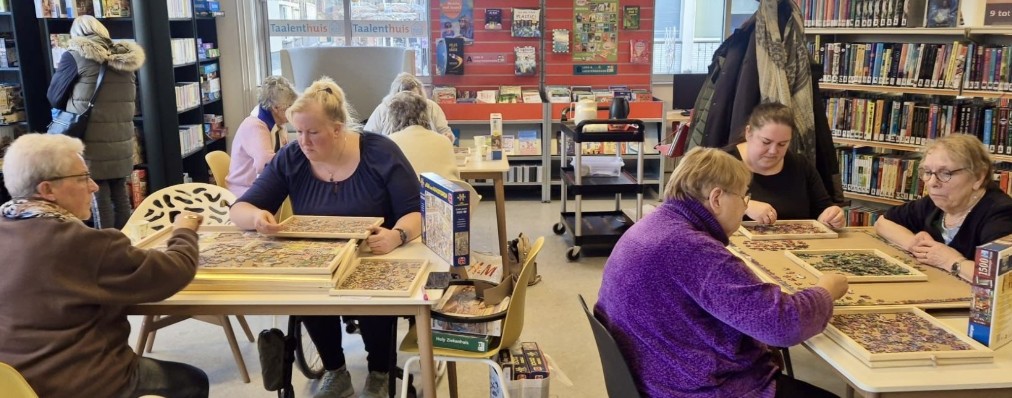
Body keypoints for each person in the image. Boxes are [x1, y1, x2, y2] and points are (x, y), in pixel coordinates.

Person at [596, 147, 847, 398]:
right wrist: (826, 290)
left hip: (657, 375)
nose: (744, 206)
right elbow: (783, 326)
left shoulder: (654, 223)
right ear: (716, 198)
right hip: (695, 389)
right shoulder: (692, 248)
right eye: (743, 197)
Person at [229, 77, 421, 398]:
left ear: (337, 128)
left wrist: (397, 235)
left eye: (313, 133)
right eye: (298, 132)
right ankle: (335, 370)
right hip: (318, 263)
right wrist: (257, 217)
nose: (303, 141)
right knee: (310, 296)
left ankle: (379, 371)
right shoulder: (292, 157)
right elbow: (241, 209)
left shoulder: (380, 152)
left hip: (375, 255)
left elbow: (417, 212)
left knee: (372, 297)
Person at [0, 134, 208, 398]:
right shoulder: (80, 243)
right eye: (82, 178)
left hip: (13, 383)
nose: (94, 187)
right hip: (80, 383)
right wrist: (184, 230)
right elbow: (174, 271)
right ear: (47, 190)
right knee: (192, 381)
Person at [46, 15, 145, 229]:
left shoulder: (74, 56)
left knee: (98, 195)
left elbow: (54, 96)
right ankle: (125, 244)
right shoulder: (125, 60)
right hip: (121, 137)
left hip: (90, 138)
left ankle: (106, 248)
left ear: (76, 35)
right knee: (120, 195)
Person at [875, 134, 1012, 280]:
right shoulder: (936, 203)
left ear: (978, 177)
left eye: (945, 173)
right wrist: (913, 244)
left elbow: (1000, 277)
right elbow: (882, 222)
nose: (933, 182)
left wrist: (952, 261)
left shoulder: (1001, 213)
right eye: (928, 172)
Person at [726, 102, 845, 228]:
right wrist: (744, 205)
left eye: (782, 144)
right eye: (766, 142)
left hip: (797, 245)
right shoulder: (723, 163)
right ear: (748, 133)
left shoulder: (801, 166)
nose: (773, 151)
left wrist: (832, 216)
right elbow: (705, 209)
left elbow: (822, 209)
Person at [226, 75, 298, 197]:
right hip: (245, 192)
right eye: (290, 107)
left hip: (262, 186)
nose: (293, 111)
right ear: (275, 108)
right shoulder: (254, 126)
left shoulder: (278, 123)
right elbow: (265, 166)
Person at [387, 91, 459, 179]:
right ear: (426, 113)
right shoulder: (444, 141)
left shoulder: (389, 143)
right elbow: (456, 178)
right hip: (445, 192)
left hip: (410, 192)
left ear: (393, 116)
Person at [365, 72, 454, 141]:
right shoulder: (383, 109)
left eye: (415, 100)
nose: (411, 104)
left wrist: (448, 138)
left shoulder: (431, 107)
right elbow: (368, 137)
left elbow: (446, 133)